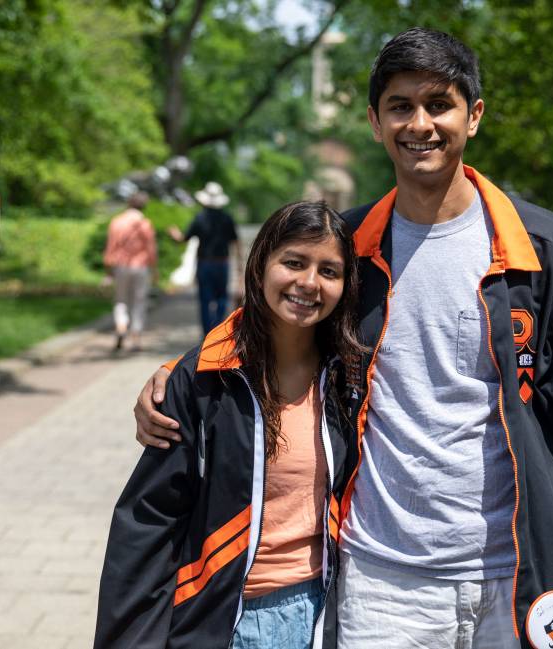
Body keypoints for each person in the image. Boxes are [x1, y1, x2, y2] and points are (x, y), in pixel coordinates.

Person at [134, 28, 553, 649]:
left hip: (520, 572)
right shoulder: (349, 249)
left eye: (439, 104)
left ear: (473, 116)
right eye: (400, 106)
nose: (420, 124)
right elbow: (268, 322)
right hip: (383, 583)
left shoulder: (541, 247)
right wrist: (179, 375)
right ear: (375, 122)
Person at [95, 201, 363, 649]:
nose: (309, 282)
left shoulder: (350, 378)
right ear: (260, 267)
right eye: (294, 263)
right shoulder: (205, 380)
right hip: (225, 621)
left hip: (329, 618)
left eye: (328, 271)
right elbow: (150, 520)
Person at [169, 181, 242, 335]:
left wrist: (175, 235)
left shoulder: (200, 217)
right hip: (222, 263)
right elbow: (236, 242)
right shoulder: (227, 218)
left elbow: (184, 238)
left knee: (205, 300)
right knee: (222, 298)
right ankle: (218, 330)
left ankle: (207, 333)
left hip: (204, 264)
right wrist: (240, 265)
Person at [104, 192, 157, 351]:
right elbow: (150, 249)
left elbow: (111, 247)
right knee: (139, 301)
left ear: (128, 203)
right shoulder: (144, 223)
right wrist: (154, 268)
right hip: (140, 266)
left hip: (121, 266)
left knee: (120, 300)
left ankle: (121, 328)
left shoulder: (117, 222)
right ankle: (136, 336)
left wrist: (108, 270)